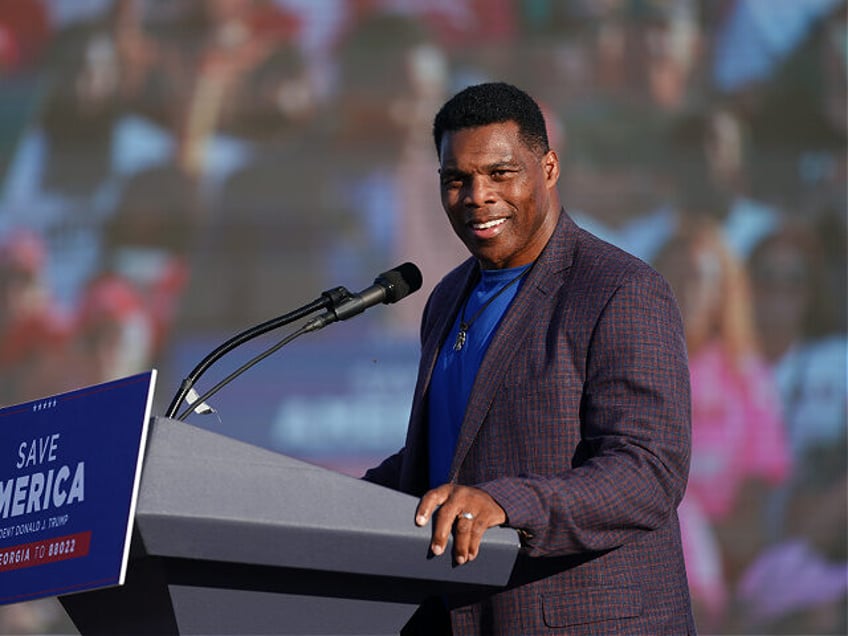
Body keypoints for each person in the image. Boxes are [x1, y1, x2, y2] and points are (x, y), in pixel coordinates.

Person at [364, 82, 695, 635]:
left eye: (500, 173)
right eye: (457, 179)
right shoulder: (447, 297)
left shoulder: (621, 289)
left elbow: (648, 472)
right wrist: (324, 497)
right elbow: (450, 459)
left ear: (548, 168)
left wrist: (505, 502)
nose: (477, 196)